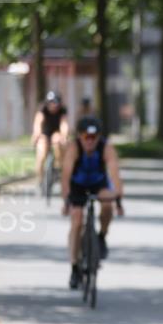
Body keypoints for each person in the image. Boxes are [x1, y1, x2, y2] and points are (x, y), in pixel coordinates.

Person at [61, 116, 124, 289]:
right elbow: (65, 177)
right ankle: (74, 267)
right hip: (77, 185)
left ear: (99, 137)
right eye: (86, 137)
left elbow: (114, 175)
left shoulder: (106, 148)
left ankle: (102, 237)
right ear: (79, 137)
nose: (90, 141)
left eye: (93, 137)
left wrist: (118, 198)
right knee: (77, 220)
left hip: (98, 183)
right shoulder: (73, 148)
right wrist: (66, 200)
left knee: (106, 205)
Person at [32, 91, 69, 187]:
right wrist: (36, 134)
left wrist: (64, 135)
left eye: (55, 103)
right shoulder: (43, 108)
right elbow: (38, 122)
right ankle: (39, 179)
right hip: (44, 133)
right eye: (50, 103)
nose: (53, 105)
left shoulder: (62, 110)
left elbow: (63, 124)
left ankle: (58, 168)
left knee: (58, 142)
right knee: (41, 155)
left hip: (56, 133)